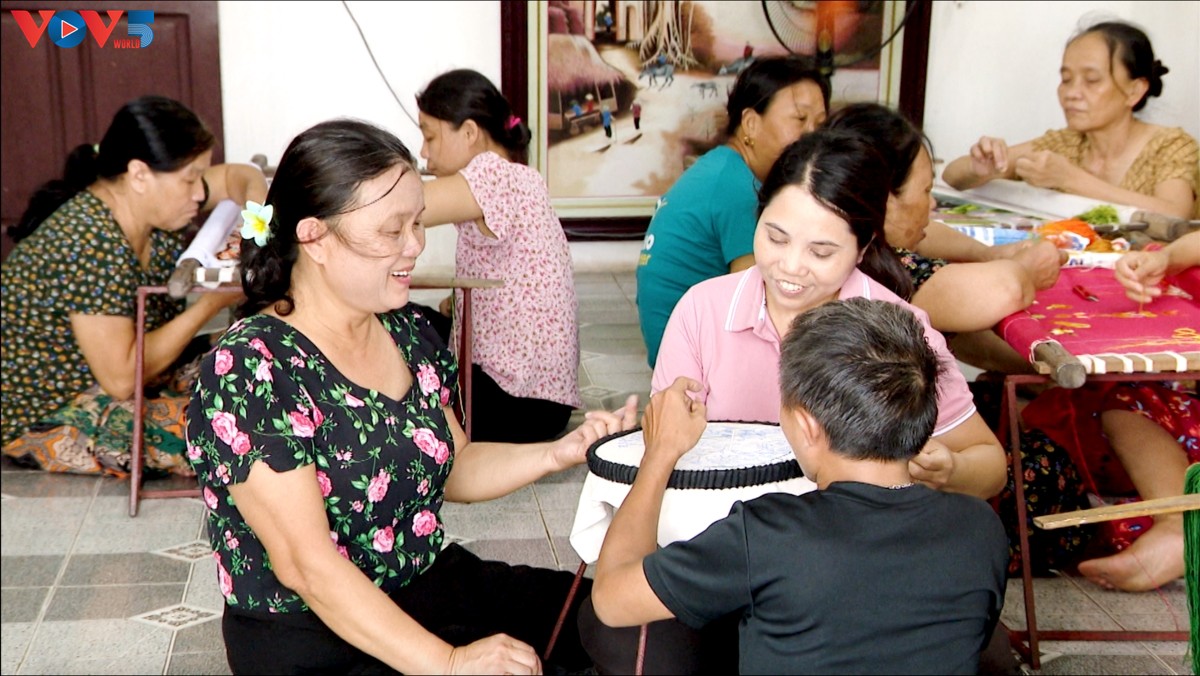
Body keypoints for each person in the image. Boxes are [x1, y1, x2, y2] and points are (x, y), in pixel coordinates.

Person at [186, 118, 638, 674]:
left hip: (420, 583)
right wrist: (450, 664)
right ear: (314, 238)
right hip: (311, 633)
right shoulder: (250, 369)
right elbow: (308, 567)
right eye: (391, 231)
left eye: (418, 222)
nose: (416, 245)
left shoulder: (404, 329)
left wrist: (557, 453)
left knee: (615, 619)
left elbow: (456, 465)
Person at [590, 299, 1007, 674]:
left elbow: (611, 600)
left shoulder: (767, 534)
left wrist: (660, 453)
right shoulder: (979, 527)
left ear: (807, 425)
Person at [653, 129, 1007, 498]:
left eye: (820, 252)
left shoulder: (900, 334)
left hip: (851, 532)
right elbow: (665, 442)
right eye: (776, 238)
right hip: (719, 523)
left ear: (863, 247)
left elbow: (991, 467)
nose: (790, 266)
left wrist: (951, 470)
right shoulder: (703, 310)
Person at [1, 95, 266, 476]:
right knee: (243, 427)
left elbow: (237, 177)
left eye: (199, 176)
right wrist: (212, 303)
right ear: (139, 174)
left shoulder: (155, 201)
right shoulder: (89, 241)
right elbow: (122, 379)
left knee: (262, 352)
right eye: (189, 178)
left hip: (135, 375)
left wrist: (260, 225)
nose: (198, 192)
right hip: (56, 411)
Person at [825, 102, 1066, 374]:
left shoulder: (836, 233)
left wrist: (990, 254)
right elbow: (1006, 289)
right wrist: (1028, 268)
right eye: (926, 190)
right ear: (886, 199)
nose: (933, 205)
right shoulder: (877, 272)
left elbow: (925, 235)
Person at [415, 68, 582, 443]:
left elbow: (399, 207)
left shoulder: (493, 174)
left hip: (518, 401)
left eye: (430, 136)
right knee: (415, 319)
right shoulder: (518, 177)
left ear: (469, 132)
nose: (424, 152)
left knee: (396, 324)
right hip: (537, 401)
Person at [636, 55, 830, 367]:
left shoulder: (721, 167)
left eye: (820, 124)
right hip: (693, 366)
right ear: (751, 123)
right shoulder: (738, 188)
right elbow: (758, 306)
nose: (814, 137)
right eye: (799, 119)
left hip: (675, 352)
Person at [943, 19, 1199, 219]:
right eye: (1066, 79)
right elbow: (952, 176)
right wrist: (979, 169)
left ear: (1134, 90)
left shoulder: (1170, 145)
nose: (1072, 93)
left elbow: (1175, 214)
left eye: (1092, 80)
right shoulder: (1065, 143)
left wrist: (1070, 179)